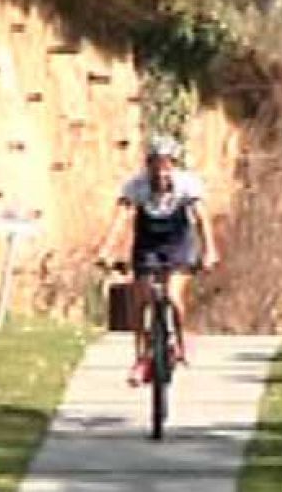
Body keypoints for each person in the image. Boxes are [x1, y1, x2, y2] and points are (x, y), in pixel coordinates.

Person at [96, 133, 221, 387]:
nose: (161, 172)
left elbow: (201, 219)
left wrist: (209, 250)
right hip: (148, 244)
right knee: (140, 299)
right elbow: (121, 218)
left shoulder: (187, 185)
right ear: (148, 165)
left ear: (174, 165)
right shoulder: (136, 187)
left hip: (178, 243)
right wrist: (107, 249)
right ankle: (141, 357)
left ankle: (180, 342)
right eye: (155, 165)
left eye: (166, 165)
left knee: (173, 296)